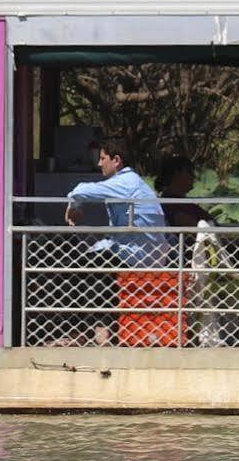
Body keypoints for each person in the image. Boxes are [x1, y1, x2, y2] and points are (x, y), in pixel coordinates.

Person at [66, 140, 168, 344]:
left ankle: (91, 331)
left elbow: (81, 190)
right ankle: (93, 329)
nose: (99, 164)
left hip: (141, 256)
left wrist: (73, 204)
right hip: (140, 253)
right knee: (93, 261)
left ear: (117, 160)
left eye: (103, 159)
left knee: (86, 265)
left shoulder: (126, 183)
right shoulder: (129, 183)